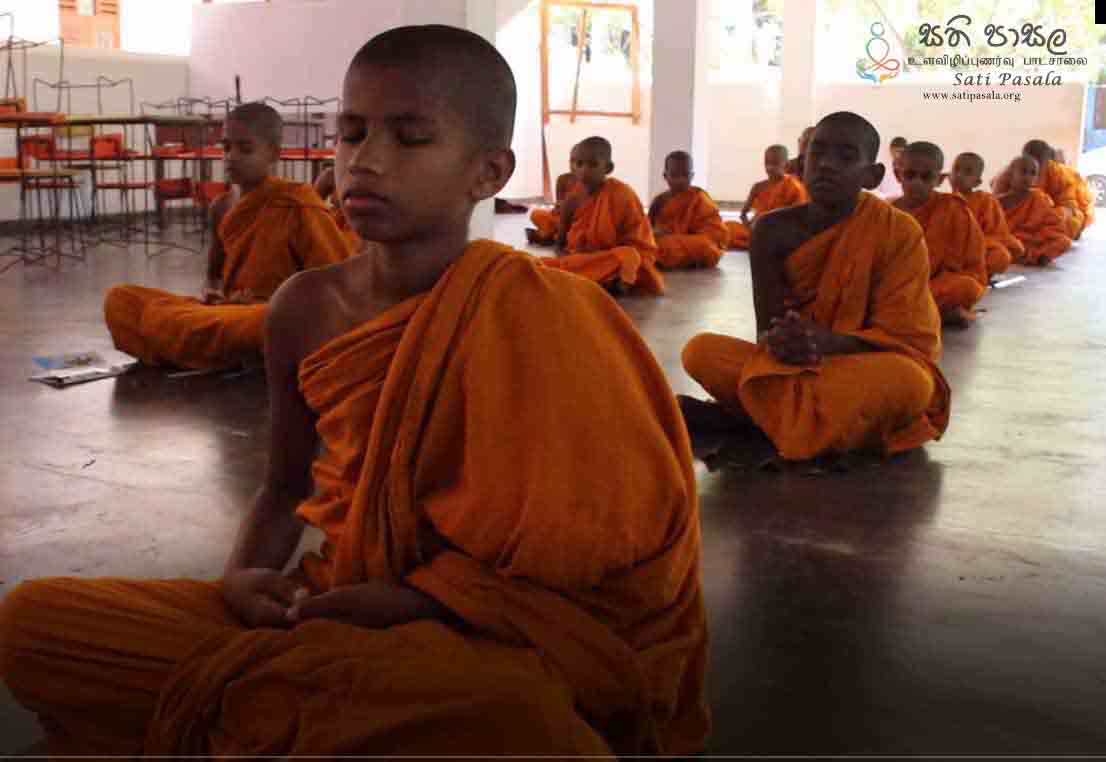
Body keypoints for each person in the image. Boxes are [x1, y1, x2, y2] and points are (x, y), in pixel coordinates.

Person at [1, 25, 709, 757]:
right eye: (351, 132)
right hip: (330, 603)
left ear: (489, 172)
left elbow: (605, 554)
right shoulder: (304, 308)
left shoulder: (546, 311)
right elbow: (284, 485)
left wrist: (420, 602)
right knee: (33, 624)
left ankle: (285, 709)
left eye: (410, 137)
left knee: (517, 719)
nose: (364, 160)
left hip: (475, 633)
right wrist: (243, 578)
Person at [679, 111, 949, 461]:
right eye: (817, 154)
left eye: (845, 157)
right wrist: (787, 341)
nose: (826, 165)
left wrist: (826, 342)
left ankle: (755, 418)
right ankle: (809, 426)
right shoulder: (771, 230)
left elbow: (908, 341)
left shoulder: (898, 231)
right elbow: (767, 335)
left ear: (872, 175)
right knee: (701, 352)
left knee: (911, 383)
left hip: (858, 366)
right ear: (800, 164)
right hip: (795, 367)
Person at [103, 103, 354, 369]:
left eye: (245, 149)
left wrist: (273, 303)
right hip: (230, 314)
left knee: (269, 322)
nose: (230, 157)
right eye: (226, 147)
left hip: (273, 314)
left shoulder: (298, 203)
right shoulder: (221, 207)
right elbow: (214, 276)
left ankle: (208, 348)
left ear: (274, 153)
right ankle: (229, 350)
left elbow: (338, 286)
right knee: (121, 300)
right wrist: (216, 294)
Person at [540, 136, 664, 295]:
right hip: (589, 259)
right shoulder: (572, 199)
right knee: (555, 264)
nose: (584, 170)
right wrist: (569, 257)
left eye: (593, 165)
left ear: (608, 168)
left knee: (629, 256)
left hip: (618, 257)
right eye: (579, 164)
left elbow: (641, 241)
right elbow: (560, 242)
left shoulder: (622, 194)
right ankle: (604, 279)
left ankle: (605, 279)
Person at [892, 141, 986, 327]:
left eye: (926, 177)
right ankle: (930, 313)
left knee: (967, 287)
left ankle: (911, 312)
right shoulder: (887, 213)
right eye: (910, 175)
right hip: (895, 288)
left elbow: (974, 267)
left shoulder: (953, 209)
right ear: (898, 175)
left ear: (940, 179)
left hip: (934, 286)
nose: (917, 182)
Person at [647, 150, 728, 269]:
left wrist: (681, 237)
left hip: (693, 243)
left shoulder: (699, 198)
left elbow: (715, 234)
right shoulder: (659, 201)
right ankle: (684, 260)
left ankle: (670, 259)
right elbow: (647, 229)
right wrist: (657, 232)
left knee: (706, 246)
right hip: (669, 242)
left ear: (692, 176)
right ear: (665, 176)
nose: (681, 180)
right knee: (657, 244)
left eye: (685, 175)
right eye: (674, 175)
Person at [948, 151, 1022, 277]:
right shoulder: (944, 201)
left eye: (968, 172)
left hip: (980, 249)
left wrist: (975, 244)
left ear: (977, 182)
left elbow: (997, 233)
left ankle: (978, 272)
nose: (959, 175)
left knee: (1000, 256)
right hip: (952, 251)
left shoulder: (986, 200)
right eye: (956, 169)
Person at [726, 144, 808, 251]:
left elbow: (799, 217)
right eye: (767, 163)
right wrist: (750, 228)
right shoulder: (758, 187)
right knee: (727, 228)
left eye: (775, 163)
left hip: (780, 232)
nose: (770, 167)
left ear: (786, 165)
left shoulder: (794, 187)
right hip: (756, 229)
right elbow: (743, 214)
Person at [999, 155, 1072, 265]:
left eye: (1033, 173)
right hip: (1010, 241)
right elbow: (994, 230)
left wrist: (1040, 236)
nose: (1028, 177)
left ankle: (1034, 256)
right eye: (1023, 171)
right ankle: (1031, 256)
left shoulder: (1039, 198)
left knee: (1064, 241)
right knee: (1003, 247)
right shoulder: (998, 201)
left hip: (1032, 241)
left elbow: (1053, 224)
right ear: (1010, 175)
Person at [526, 155, 582, 245]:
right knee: (536, 214)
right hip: (560, 217)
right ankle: (552, 235)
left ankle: (546, 235)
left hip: (578, 221)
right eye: (572, 161)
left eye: (579, 162)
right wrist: (562, 207)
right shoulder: (563, 179)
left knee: (579, 230)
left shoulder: (590, 182)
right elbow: (559, 202)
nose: (574, 165)